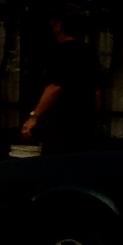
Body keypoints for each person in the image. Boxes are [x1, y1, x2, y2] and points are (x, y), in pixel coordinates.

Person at [21, 11, 99, 154]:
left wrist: (35, 116)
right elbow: (97, 91)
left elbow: (54, 87)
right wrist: (94, 118)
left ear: (59, 25)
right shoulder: (89, 52)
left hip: (61, 122)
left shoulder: (60, 52)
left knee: (54, 160)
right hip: (83, 122)